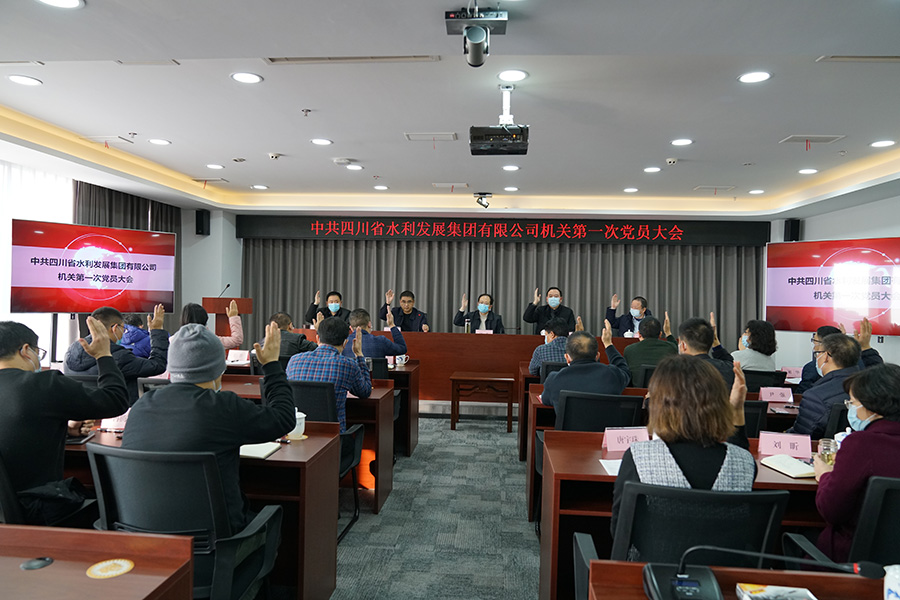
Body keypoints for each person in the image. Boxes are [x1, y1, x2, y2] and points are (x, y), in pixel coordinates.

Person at [122, 321, 295, 533]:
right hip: (214, 539)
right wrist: (272, 366)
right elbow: (284, 418)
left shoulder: (141, 407)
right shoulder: (223, 407)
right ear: (219, 369)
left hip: (143, 536)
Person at [0, 318, 129, 525]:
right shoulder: (44, 384)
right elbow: (115, 400)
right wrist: (104, 355)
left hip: (6, 518)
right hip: (35, 511)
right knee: (110, 503)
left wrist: (65, 430)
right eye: (38, 352)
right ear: (26, 350)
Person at [611, 356, 755, 536]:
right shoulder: (744, 462)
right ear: (719, 402)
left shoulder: (638, 457)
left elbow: (619, 530)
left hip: (654, 555)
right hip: (724, 555)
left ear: (659, 404)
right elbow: (739, 456)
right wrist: (736, 409)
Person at [812, 363, 900, 563]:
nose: (850, 409)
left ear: (872, 406)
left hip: (853, 564)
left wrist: (824, 474)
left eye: (852, 402)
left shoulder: (861, 444)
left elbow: (831, 511)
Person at [64, 305, 169, 404]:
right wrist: (157, 330)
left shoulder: (70, 352)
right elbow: (157, 365)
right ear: (114, 328)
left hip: (82, 413)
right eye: (123, 328)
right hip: (117, 413)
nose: (123, 332)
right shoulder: (120, 357)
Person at [286, 317, 371, 432]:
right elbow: (365, 392)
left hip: (297, 432)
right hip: (332, 436)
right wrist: (359, 355)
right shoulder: (347, 364)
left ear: (317, 338)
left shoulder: (294, 360)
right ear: (345, 343)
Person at [789, 333, 873, 439]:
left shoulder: (815, 396)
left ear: (826, 357)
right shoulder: (873, 388)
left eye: (818, 353)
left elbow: (801, 437)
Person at [540, 321, 631, 409]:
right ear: (597, 356)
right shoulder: (612, 375)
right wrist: (608, 344)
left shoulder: (554, 380)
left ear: (567, 357)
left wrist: (578, 336)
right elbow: (624, 370)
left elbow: (545, 400)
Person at [798, 320, 883, 393]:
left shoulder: (811, 369)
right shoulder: (858, 364)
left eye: (815, 341)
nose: (814, 347)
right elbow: (879, 374)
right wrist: (865, 347)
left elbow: (801, 395)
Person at [670, 312, 735, 387]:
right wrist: (715, 340)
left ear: (683, 345)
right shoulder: (728, 368)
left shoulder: (677, 372)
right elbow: (728, 361)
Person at [622, 315, 677, 385]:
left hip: (638, 391)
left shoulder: (629, 350)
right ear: (660, 334)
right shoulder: (670, 348)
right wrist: (668, 333)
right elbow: (675, 347)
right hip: (663, 390)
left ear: (639, 334)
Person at [343, 308, 407, 359]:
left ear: (351, 328)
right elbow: (402, 348)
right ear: (369, 324)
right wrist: (392, 325)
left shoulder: (343, 343)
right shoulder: (381, 341)